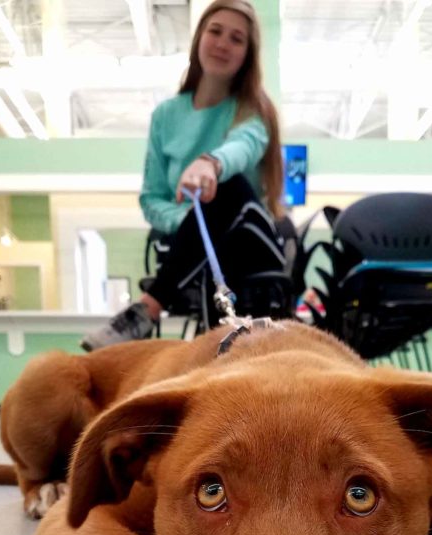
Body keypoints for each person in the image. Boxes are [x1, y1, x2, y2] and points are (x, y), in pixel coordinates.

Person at [80, 0, 284, 351]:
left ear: (247, 55)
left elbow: (243, 147)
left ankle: (149, 306)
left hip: (252, 242)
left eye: (236, 39)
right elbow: (152, 198)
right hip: (198, 250)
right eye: (215, 31)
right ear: (198, 38)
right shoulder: (165, 116)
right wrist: (192, 218)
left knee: (227, 188)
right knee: (210, 218)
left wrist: (211, 165)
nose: (223, 43)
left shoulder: (254, 111)